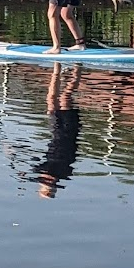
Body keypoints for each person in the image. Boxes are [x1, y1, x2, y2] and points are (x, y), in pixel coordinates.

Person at [31, 63, 82, 199]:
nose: (44, 178)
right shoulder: (61, 171)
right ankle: (77, 69)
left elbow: (36, 166)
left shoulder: (52, 170)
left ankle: (57, 69)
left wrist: (27, 175)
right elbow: (44, 169)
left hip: (57, 130)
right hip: (68, 129)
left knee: (51, 99)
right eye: (46, 182)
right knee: (66, 97)